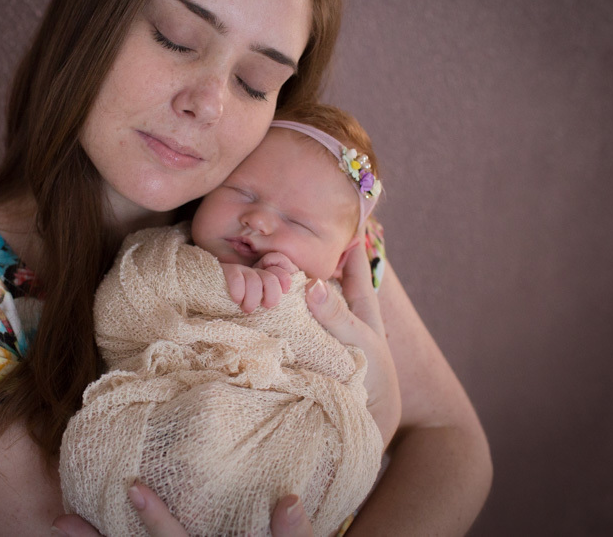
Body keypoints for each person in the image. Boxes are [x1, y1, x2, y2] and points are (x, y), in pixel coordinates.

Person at [0, 0, 492, 535]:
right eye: (175, 37)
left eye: (256, 81)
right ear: (92, 21)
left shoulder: (298, 233)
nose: (209, 102)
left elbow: (455, 443)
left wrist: (377, 413)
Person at [60, 105, 396, 536]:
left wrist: (291, 312)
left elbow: (347, 385)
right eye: (242, 192)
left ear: (342, 258)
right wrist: (213, 284)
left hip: (279, 470)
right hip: (164, 439)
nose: (258, 219)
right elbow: (122, 312)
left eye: (297, 222)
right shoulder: (164, 257)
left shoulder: (334, 305)